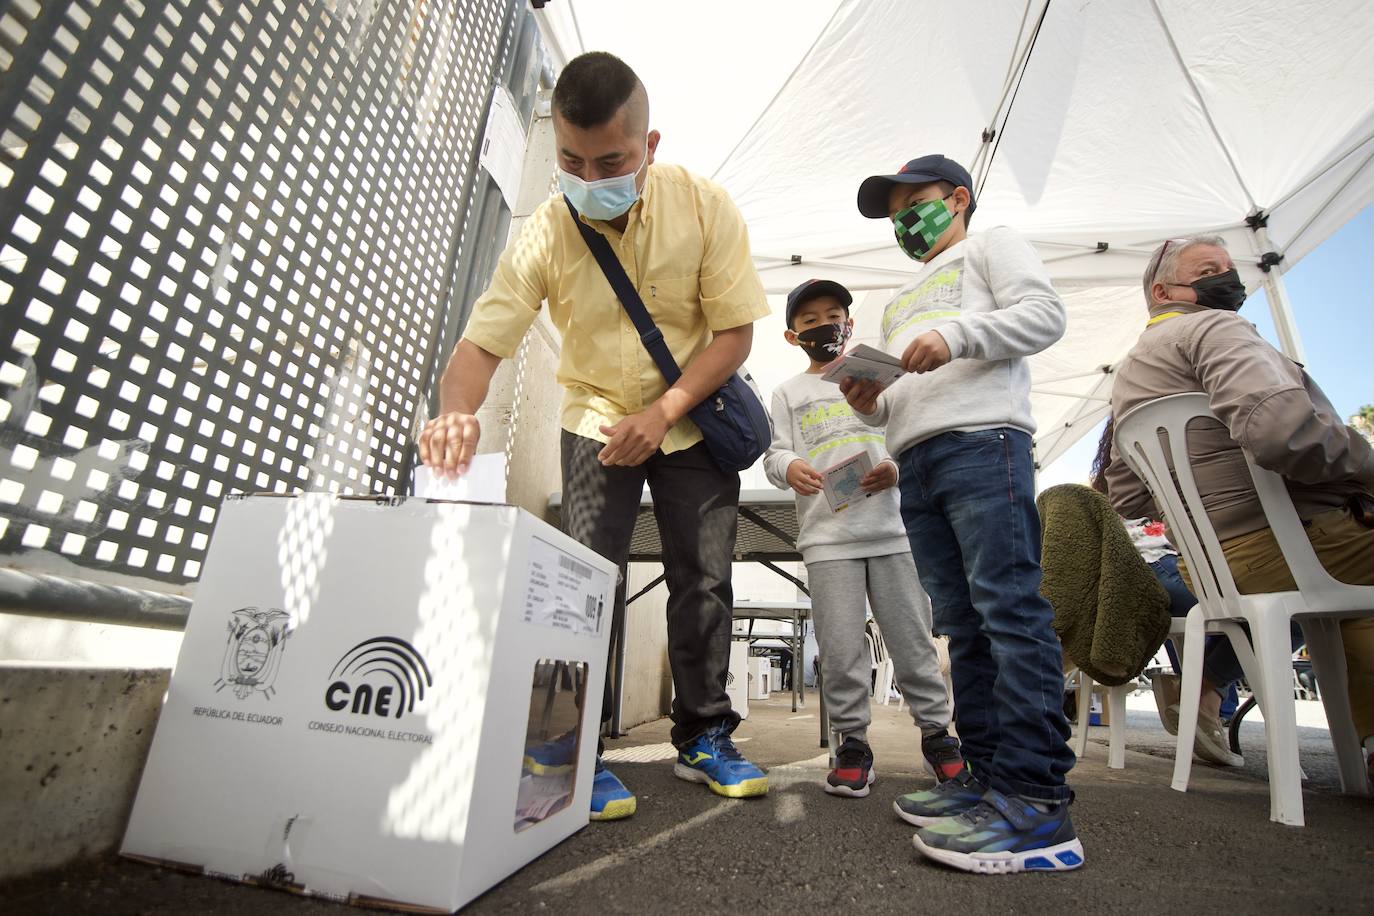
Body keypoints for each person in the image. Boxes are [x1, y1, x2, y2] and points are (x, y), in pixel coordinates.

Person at [418, 52, 771, 820]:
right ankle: (567, 748)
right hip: (593, 423)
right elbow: (482, 345)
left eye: (609, 160)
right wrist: (455, 409)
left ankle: (705, 733)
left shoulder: (706, 207)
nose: (588, 177)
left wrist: (663, 412)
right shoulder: (548, 228)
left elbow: (734, 334)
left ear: (650, 146)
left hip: (691, 423)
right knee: (580, 585)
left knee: (704, 580)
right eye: (572, 161)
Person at [843, 155, 1083, 873]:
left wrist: (959, 335)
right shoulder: (894, 302)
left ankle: (1038, 801)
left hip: (985, 444)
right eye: (894, 216)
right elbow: (898, 397)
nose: (902, 222)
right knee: (964, 626)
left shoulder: (991, 244)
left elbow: (1046, 315)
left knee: (1009, 610)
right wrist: (870, 404)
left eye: (913, 204)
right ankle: (985, 778)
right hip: (917, 462)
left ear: (958, 198)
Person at [1105, 234, 1374, 789]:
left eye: (1230, 266)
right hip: (1302, 543)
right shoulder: (1217, 329)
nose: (1228, 275)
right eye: (1209, 268)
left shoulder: (1130, 376)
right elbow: (1283, 434)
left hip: (1216, 568)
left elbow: (1125, 499)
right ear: (1163, 290)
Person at [763, 278, 965, 798]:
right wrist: (790, 468)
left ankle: (939, 736)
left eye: (834, 314)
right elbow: (773, 453)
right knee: (841, 646)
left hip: (894, 532)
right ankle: (851, 742)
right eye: (809, 321)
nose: (823, 325)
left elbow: (903, 440)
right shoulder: (788, 392)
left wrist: (895, 468)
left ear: (850, 324)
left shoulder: (880, 377)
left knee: (913, 640)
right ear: (792, 336)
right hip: (827, 539)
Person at [1089, 418, 1247, 767]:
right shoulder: (1193, 442)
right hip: (1167, 562)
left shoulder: (1111, 473)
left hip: (1134, 576)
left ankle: (1200, 697)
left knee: (1200, 624)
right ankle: (1204, 696)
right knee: (1285, 604)